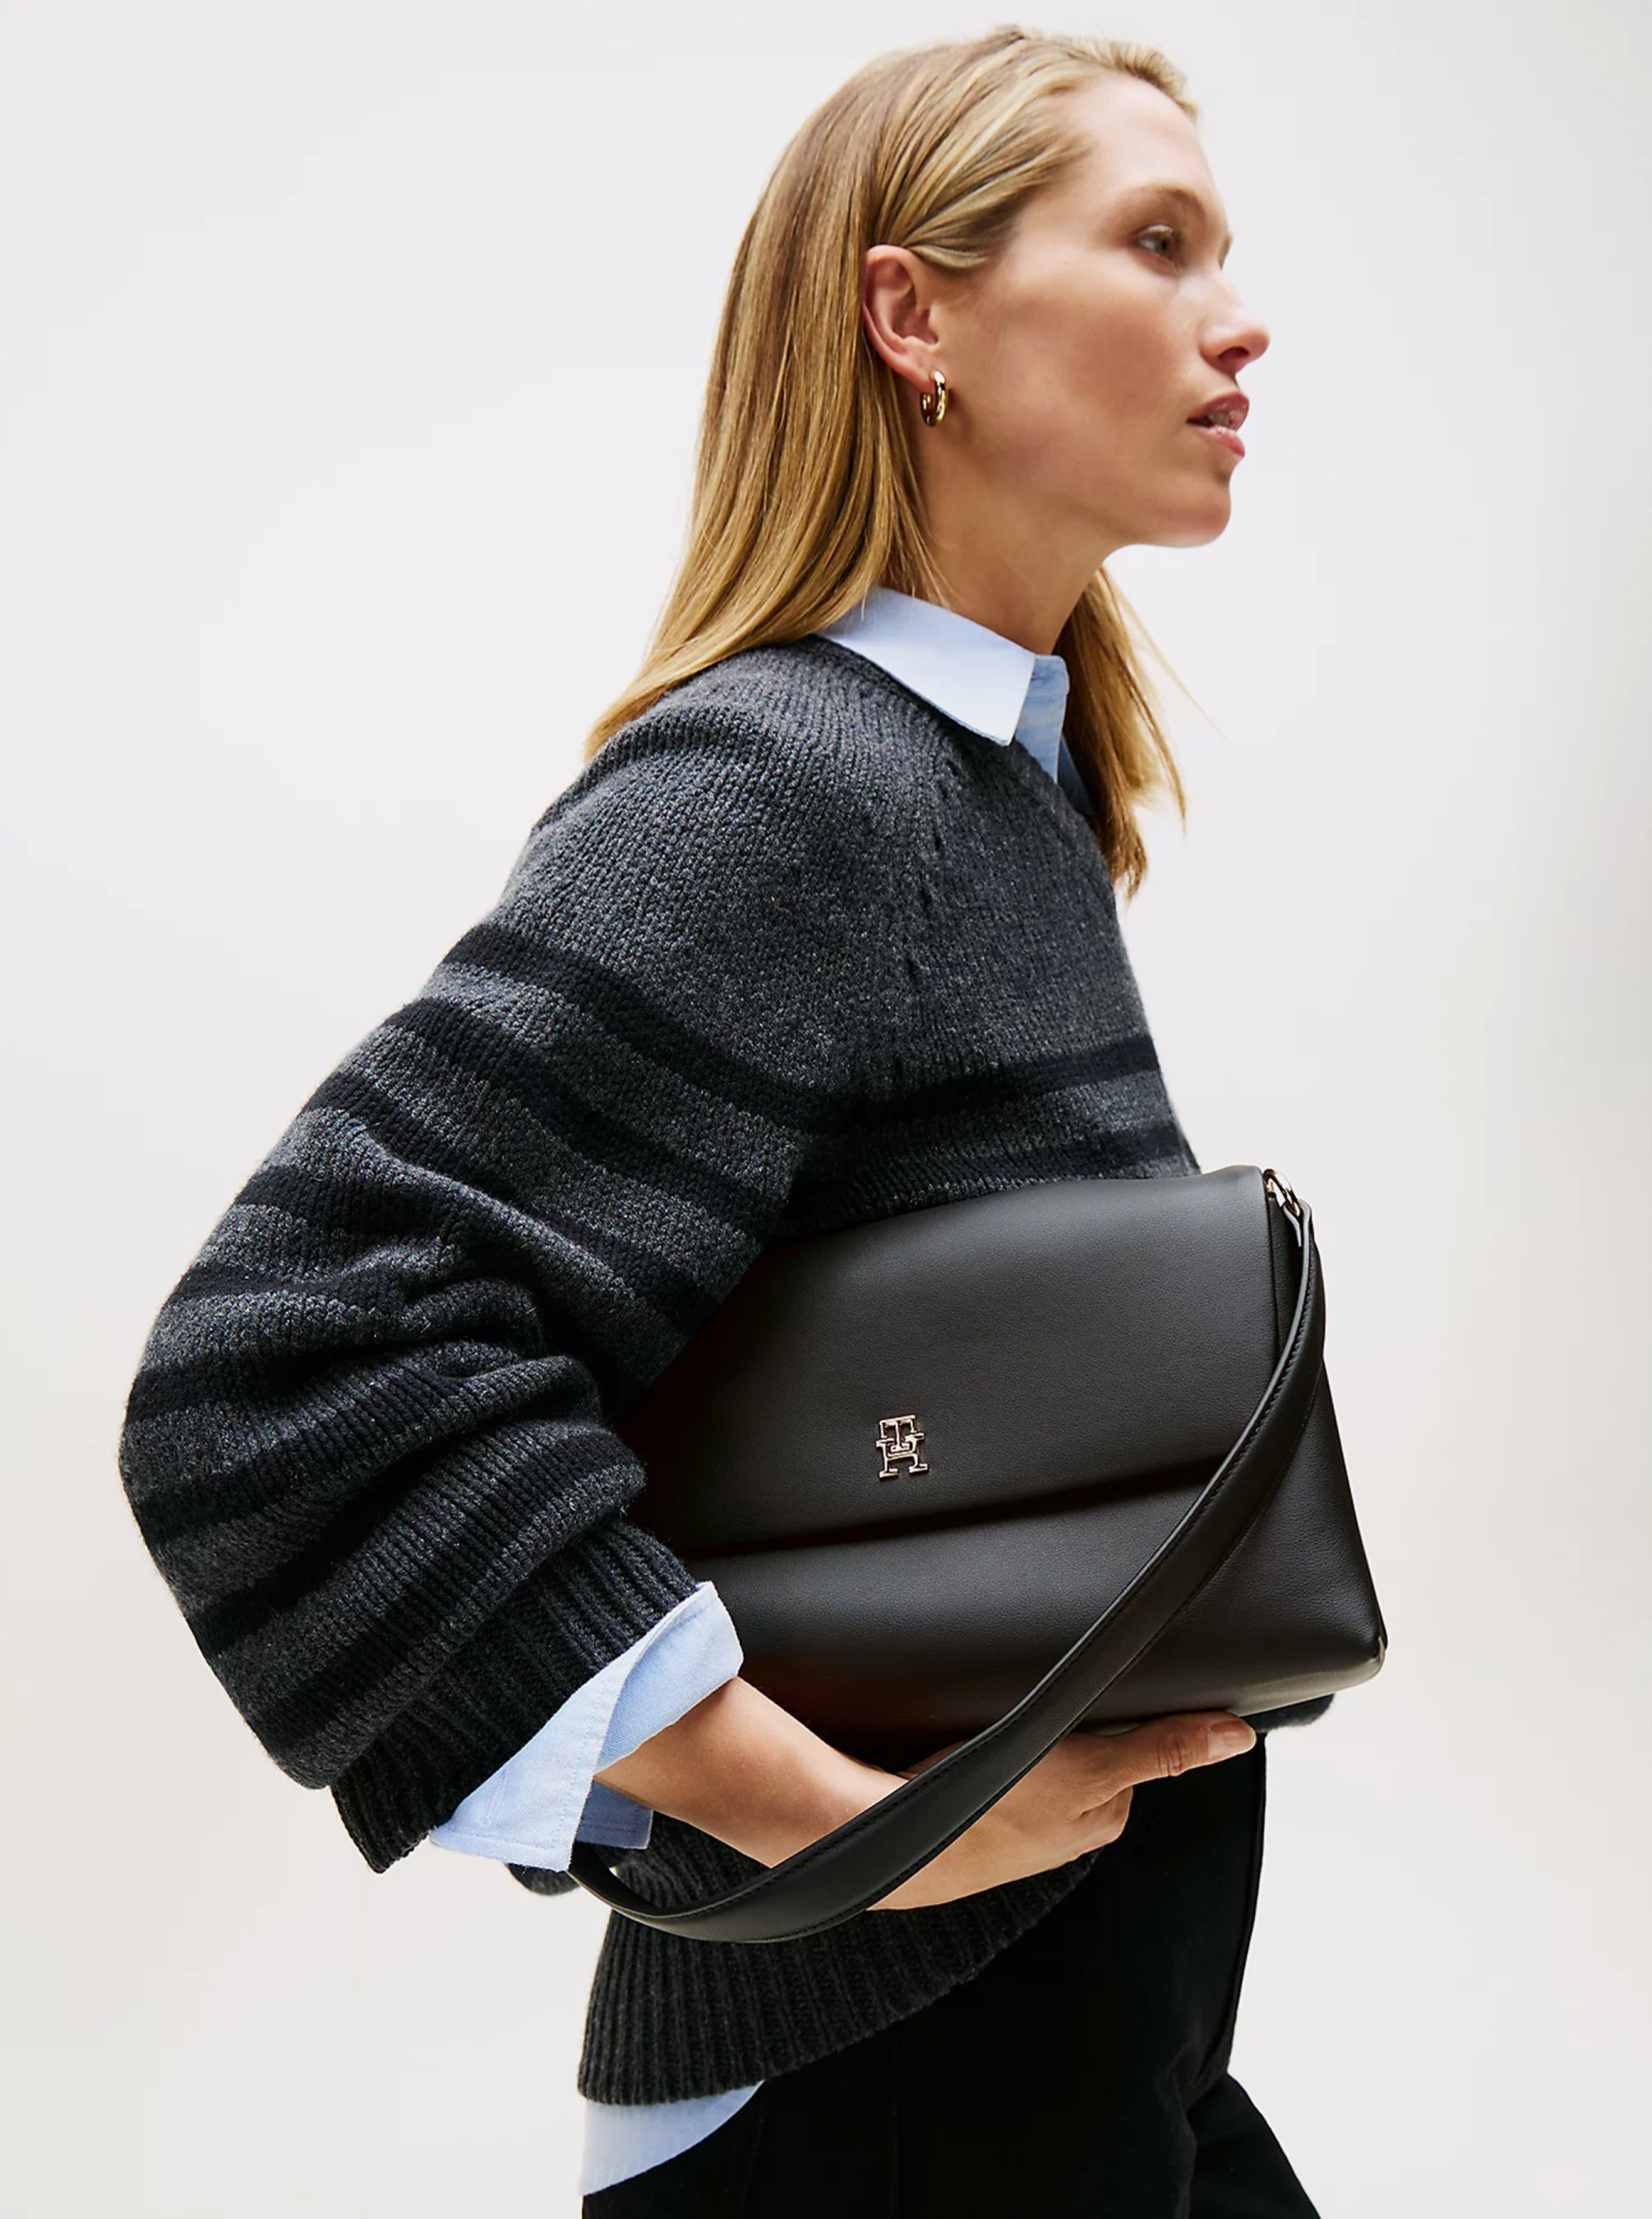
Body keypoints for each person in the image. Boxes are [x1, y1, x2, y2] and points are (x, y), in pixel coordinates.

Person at [118, 26, 1336, 2216]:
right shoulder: (794, 785)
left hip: (1064, 2039)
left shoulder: (1005, 785)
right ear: (912, 317)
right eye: (1157, 244)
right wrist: (823, 1817)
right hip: (874, 2094)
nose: (1237, 320)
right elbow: (279, 1368)